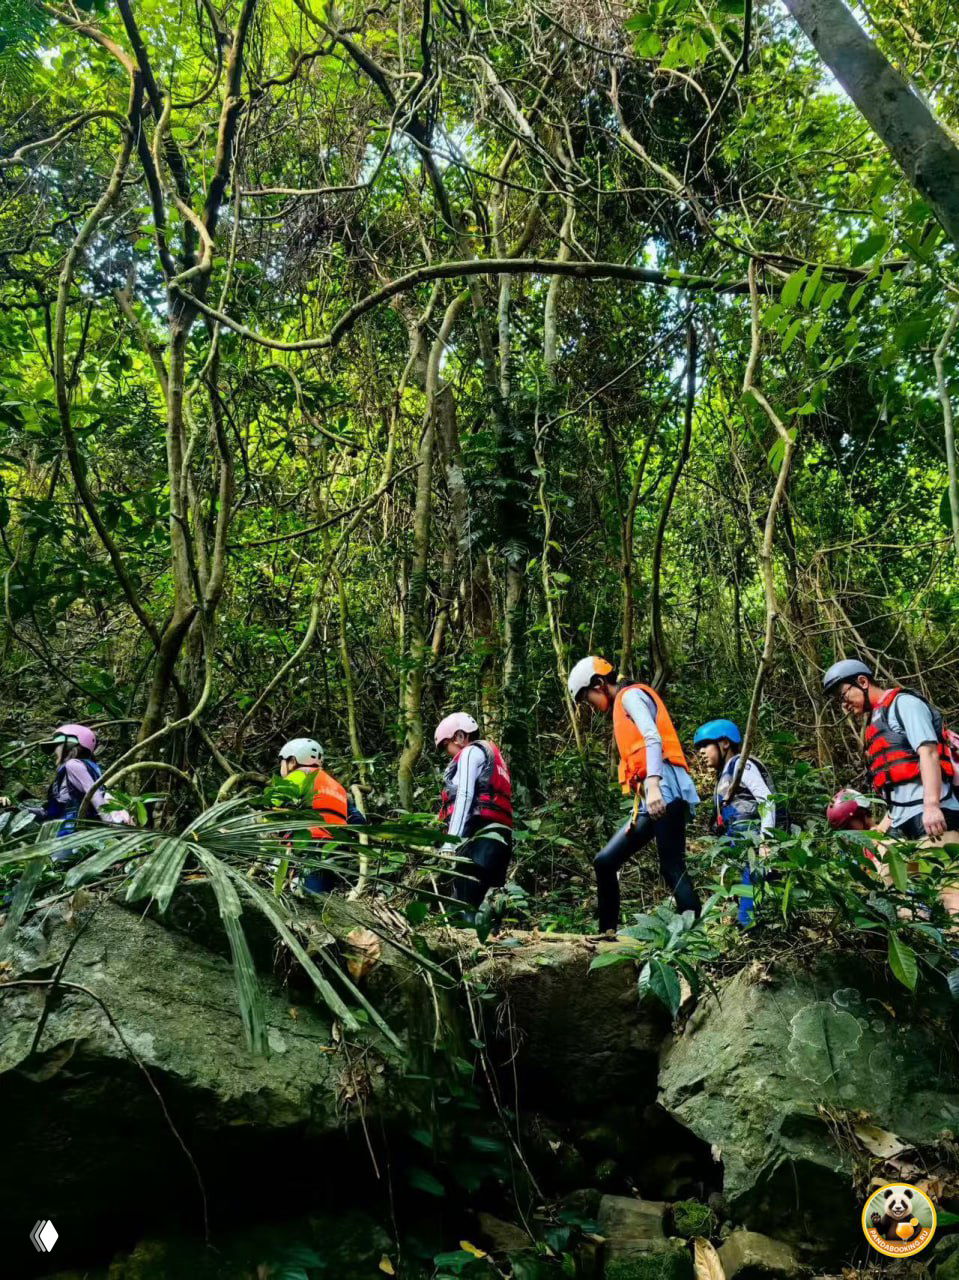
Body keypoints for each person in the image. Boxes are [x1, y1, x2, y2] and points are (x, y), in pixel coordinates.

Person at [568, 656, 700, 934]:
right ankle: (607, 934)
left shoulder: (630, 696)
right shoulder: (622, 703)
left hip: (664, 792)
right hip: (651, 800)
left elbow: (653, 736)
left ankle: (693, 936)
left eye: (587, 697)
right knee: (605, 862)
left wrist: (653, 783)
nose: (590, 705)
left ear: (599, 683)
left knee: (672, 867)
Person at [822, 658, 959, 911]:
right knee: (894, 895)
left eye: (843, 696)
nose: (843, 705)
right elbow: (897, 791)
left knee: (950, 896)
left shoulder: (904, 704)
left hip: (935, 815)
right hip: (902, 823)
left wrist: (932, 805)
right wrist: (880, 832)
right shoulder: (875, 723)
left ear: (862, 682)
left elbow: (928, 752)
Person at [693, 718, 780, 927]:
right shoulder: (724, 774)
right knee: (744, 888)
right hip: (738, 842)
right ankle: (748, 930)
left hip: (752, 839)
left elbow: (767, 799)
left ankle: (749, 931)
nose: (701, 752)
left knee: (751, 885)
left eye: (706, 745)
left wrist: (766, 840)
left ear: (725, 743)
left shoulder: (741, 765)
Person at [0, 724, 130, 859]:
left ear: (71, 747)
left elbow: (95, 795)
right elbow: (51, 812)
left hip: (74, 836)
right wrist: (17, 809)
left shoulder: (73, 765)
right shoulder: (88, 768)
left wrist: (113, 828)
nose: (55, 751)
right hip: (76, 835)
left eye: (58, 746)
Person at [434, 712, 513, 914]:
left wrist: (451, 841)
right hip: (501, 835)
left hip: (482, 834)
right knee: (478, 902)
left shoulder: (470, 753)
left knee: (465, 903)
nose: (448, 753)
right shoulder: (492, 755)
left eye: (446, 746)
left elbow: (465, 795)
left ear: (459, 737)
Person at [274, 737, 366, 894]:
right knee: (322, 896)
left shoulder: (296, 776)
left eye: (282, 760)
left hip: (307, 845)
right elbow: (358, 820)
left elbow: (272, 807)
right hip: (336, 849)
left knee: (306, 897)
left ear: (293, 761)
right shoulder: (336, 785)